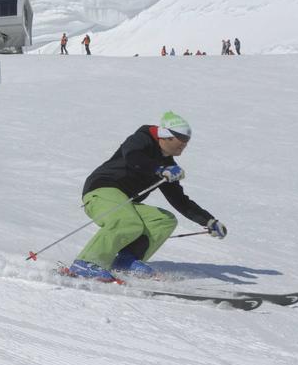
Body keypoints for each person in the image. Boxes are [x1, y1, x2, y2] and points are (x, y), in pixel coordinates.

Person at [67, 111, 227, 281]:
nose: (184, 145)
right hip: (102, 190)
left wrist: (209, 221)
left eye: (186, 141)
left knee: (164, 220)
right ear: (165, 136)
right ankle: (85, 263)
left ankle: (125, 262)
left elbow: (180, 200)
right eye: (180, 140)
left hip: (125, 202)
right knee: (128, 222)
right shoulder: (141, 139)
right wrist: (158, 169)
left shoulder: (168, 166)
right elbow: (133, 156)